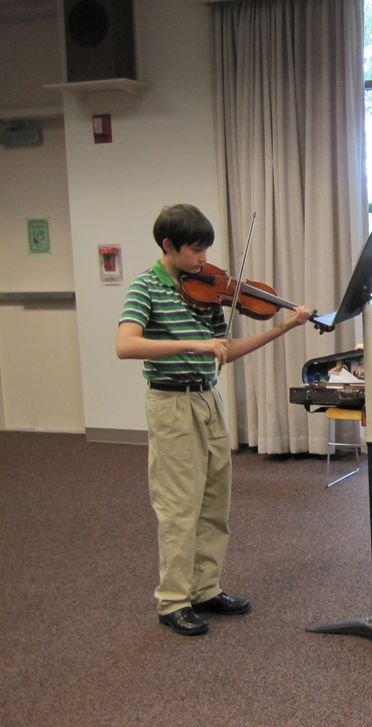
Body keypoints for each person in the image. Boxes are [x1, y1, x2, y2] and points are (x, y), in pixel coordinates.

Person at [116, 204, 311, 636]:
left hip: (208, 400)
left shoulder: (205, 290)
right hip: (171, 404)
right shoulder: (145, 287)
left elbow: (224, 349)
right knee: (179, 505)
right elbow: (126, 346)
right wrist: (194, 345)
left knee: (215, 500)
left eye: (206, 250)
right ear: (168, 246)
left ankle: (206, 588)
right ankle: (173, 600)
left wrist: (284, 327)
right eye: (195, 251)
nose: (204, 260)